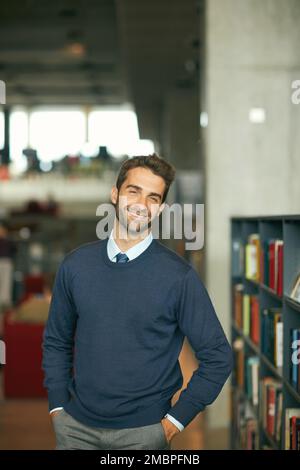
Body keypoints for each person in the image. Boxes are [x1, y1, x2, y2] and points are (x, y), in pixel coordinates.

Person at [42, 153, 233, 450]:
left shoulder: (178, 277)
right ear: (115, 194)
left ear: (161, 208)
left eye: (153, 197)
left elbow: (218, 357)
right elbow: (57, 340)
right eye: (134, 191)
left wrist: (172, 425)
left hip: (144, 434)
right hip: (75, 430)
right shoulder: (75, 266)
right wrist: (57, 407)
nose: (142, 205)